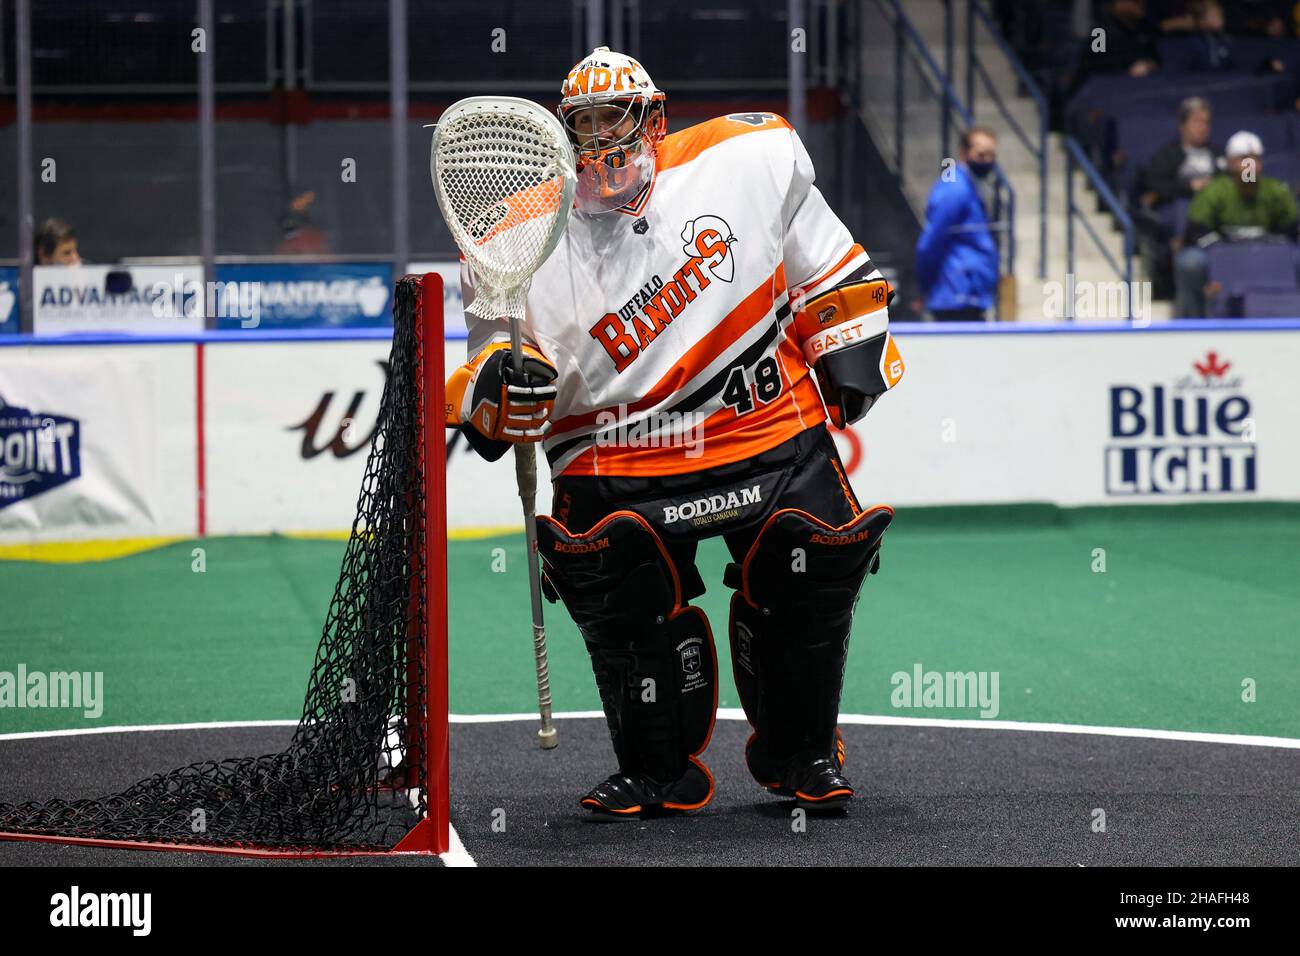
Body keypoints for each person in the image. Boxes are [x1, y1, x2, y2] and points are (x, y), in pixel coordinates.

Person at [446, 47, 904, 816]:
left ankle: (804, 753)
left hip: (764, 424)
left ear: (653, 120)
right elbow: (489, 354)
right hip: (615, 454)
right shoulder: (516, 234)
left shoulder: (747, 157)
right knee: (619, 598)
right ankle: (656, 769)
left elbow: (825, 262)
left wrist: (848, 341)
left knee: (808, 570)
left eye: (613, 117)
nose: (599, 137)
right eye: (582, 123)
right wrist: (499, 385)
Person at [1174, 130, 1299, 317]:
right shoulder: (1215, 190)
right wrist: (1222, 251)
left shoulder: (1275, 190)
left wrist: (1270, 244)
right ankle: (1193, 323)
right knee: (1190, 262)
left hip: (1266, 253)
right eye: (1244, 159)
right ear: (1231, 163)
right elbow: (1196, 229)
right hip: (1220, 253)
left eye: (1255, 159)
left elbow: (1290, 227)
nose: (1250, 166)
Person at [914, 127, 1000, 322]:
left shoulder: (972, 186)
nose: (986, 160)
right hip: (955, 293)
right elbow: (930, 243)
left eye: (991, 155)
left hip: (970, 294)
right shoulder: (954, 190)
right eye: (980, 154)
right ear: (964, 153)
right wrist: (924, 287)